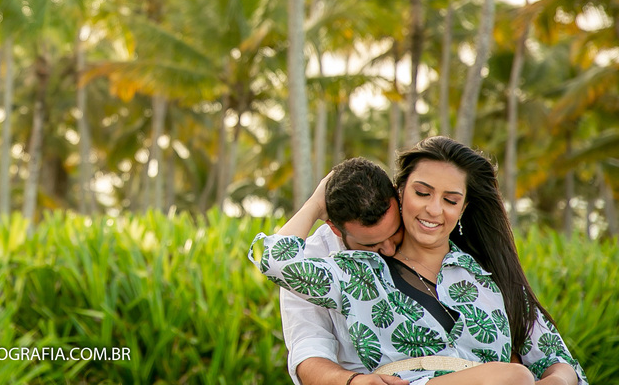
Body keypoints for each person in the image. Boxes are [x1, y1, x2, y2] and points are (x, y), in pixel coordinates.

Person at [252, 137, 588, 385]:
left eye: (451, 199)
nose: (434, 209)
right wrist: (317, 200)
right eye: (422, 193)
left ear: (463, 208)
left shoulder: (490, 275)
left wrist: (553, 382)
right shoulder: (357, 270)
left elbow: (559, 359)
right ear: (400, 193)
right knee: (513, 376)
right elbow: (272, 257)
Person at [284, 157, 407, 385]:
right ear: (334, 228)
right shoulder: (310, 260)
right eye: (371, 245)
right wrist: (354, 382)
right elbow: (308, 350)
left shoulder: (423, 226)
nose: (389, 250)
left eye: (395, 232)